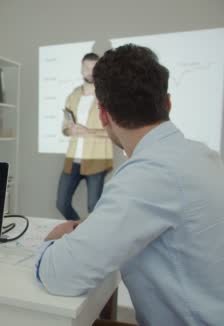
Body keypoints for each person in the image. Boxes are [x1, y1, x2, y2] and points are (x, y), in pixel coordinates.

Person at [35, 44, 224, 326]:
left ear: (103, 115)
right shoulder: (203, 156)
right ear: (168, 103)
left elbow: (59, 275)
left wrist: (51, 242)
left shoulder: (149, 173)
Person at [56, 53, 113, 220]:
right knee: (61, 203)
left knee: (94, 207)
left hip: (96, 158)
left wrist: (87, 132)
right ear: (81, 68)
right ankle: (79, 231)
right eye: (87, 67)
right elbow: (65, 128)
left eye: (94, 68)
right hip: (73, 158)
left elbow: (113, 131)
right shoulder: (73, 95)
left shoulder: (107, 97)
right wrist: (70, 131)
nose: (90, 71)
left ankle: (93, 240)